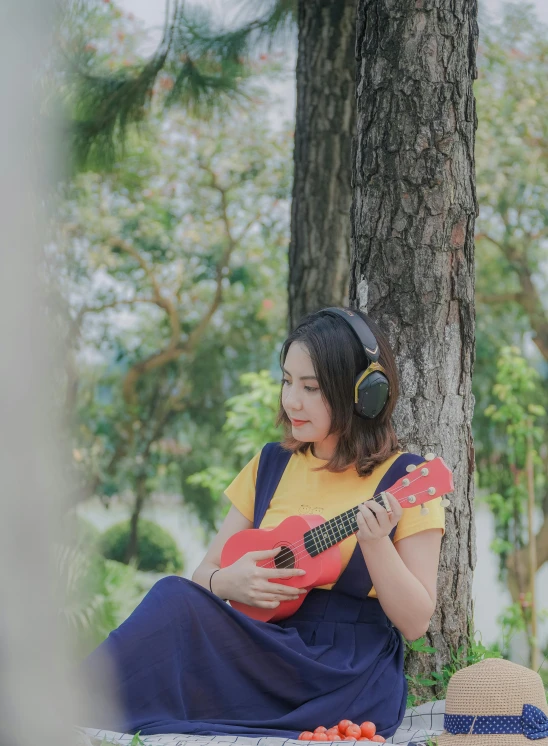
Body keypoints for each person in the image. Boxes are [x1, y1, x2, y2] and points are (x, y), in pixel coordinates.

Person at [81, 307, 445, 741]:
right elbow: (204, 574)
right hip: (263, 647)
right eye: (287, 381)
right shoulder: (270, 464)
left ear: (362, 394)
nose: (291, 401)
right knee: (172, 595)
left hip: (343, 671)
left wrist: (376, 544)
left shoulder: (406, 480)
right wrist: (228, 584)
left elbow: (415, 622)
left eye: (310, 387)